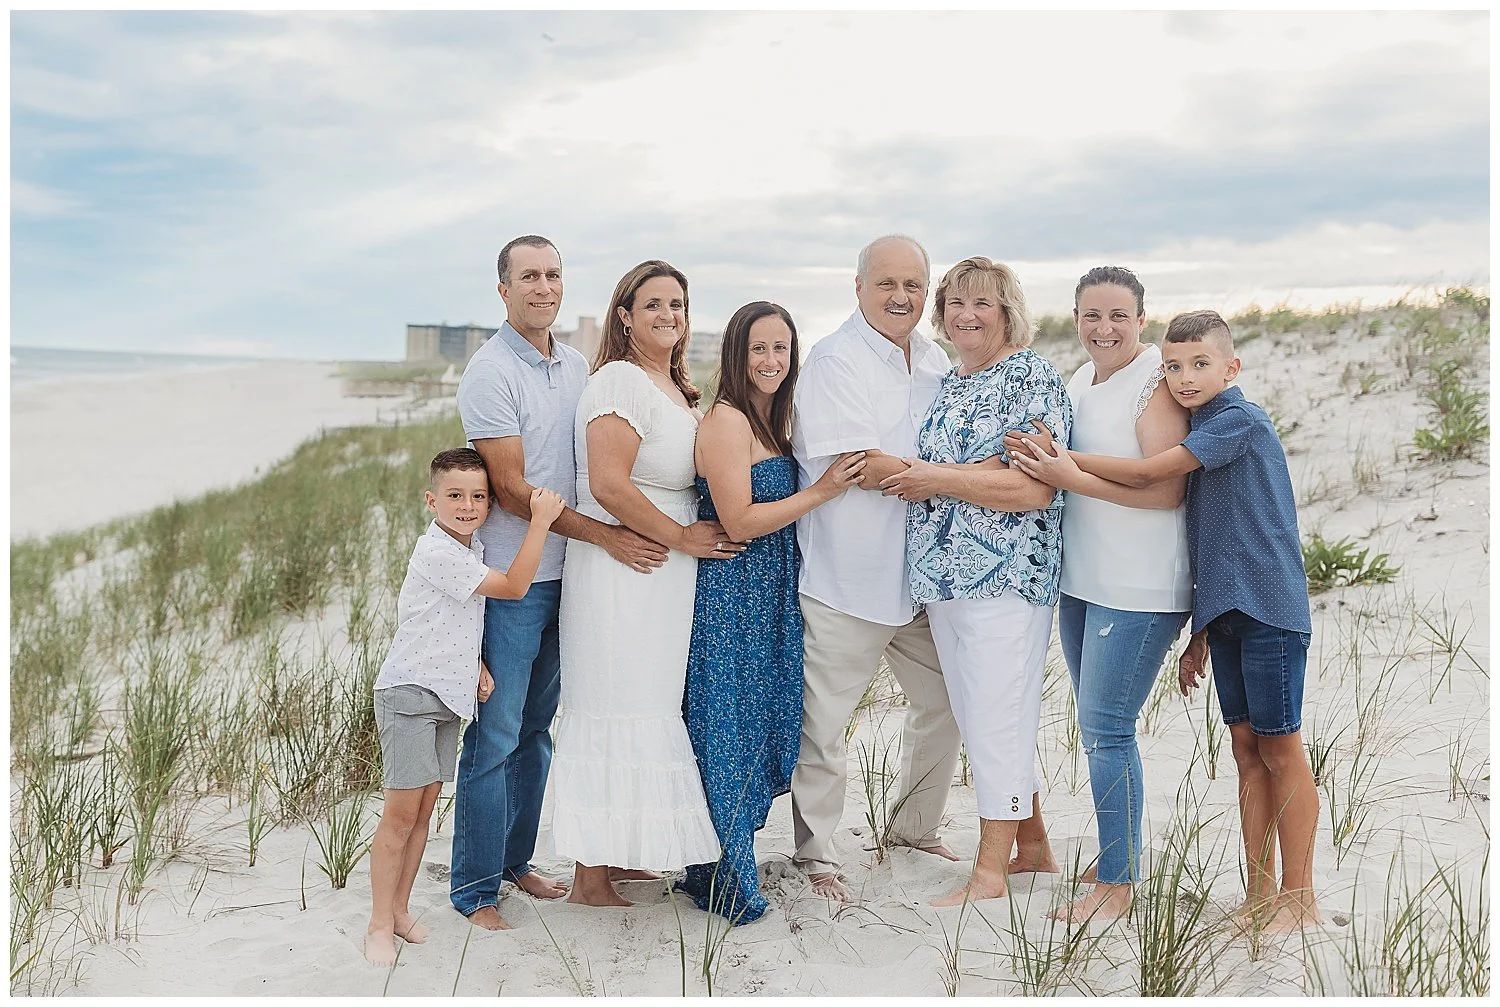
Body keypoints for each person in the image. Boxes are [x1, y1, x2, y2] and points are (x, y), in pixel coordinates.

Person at [1012, 309, 1321, 933]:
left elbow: (1152, 476)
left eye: (1200, 364)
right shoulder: (1200, 426)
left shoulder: (1237, 421)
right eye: (1174, 366)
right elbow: (1208, 538)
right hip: (1228, 612)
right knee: (1244, 749)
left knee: (1280, 748)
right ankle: (1260, 896)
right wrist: (1200, 633)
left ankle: (1300, 895)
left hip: (1271, 611)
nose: (1184, 377)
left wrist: (1064, 464)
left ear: (1232, 367)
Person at [452, 236, 670, 931]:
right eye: (529, 276)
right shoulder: (490, 373)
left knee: (539, 730)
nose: (543, 286)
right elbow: (514, 491)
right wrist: (607, 535)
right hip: (516, 580)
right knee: (496, 732)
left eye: (553, 274)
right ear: (504, 290)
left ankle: (517, 862)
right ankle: (475, 888)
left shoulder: (576, 364)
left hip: (572, 581)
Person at [999, 266, 1191, 923]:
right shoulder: (1083, 378)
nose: (1104, 328)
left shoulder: (1153, 383)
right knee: (1097, 727)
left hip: (1139, 586)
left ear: (1142, 319)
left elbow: (1166, 490)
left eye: (1117, 316)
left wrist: (1068, 473)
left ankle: (1118, 884)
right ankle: (1117, 854)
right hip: (1082, 582)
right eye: (1091, 316)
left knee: (1108, 729)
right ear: (1076, 319)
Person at [878, 257, 1072, 906]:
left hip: (1007, 577)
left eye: (981, 303)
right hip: (945, 579)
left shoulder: (1031, 377)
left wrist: (937, 477)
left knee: (994, 717)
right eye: (955, 302)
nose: (966, 314)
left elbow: (1034, 487)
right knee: (983, 713)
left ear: (1007, 309)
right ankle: (1033, 845)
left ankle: (988, 873)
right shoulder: (954, 380)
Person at [552, 260, 744, 907]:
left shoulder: (676, 388)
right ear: (626, 315)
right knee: (612, 705)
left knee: (646, 707)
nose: (668, 314)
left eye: (678, 304)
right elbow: (607, 482)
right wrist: (682, 536)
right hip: (622, 573)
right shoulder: (618, 381)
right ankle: (588, 877)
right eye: (654, 303)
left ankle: (621, 856)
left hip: (662, 581)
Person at [788, 234, 964, 904]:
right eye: (887, 283)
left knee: (947, 700)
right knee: (825, 725)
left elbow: (920, 459)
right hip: (845, 577)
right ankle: (814, 853)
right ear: (857, 287)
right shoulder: (836, 360)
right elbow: (859, 465)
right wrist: (953, 478)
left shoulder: (935, 359)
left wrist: (933, 478)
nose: (901, 297)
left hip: (918, 578)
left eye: (913, 286)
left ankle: (914, 828)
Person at [680, 301, 867, 925]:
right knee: (725, 726)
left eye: (781, 348)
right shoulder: (728, 421)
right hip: (731, 594)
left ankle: (721, 859)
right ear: (736, 354)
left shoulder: (774, 419)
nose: (770, 361)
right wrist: (821, 492)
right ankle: (723, 873)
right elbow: (737, 519)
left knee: (761, 722)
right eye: (758, 348)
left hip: (773, 594)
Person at [365, 448, 564, 966]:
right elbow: (515, 587)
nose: (468, 505)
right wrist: (540, 521)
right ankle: (378, 924)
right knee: (400, 815)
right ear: (432, 500)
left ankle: (402, 911)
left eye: (479, 496)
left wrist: (473, 661)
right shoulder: (438, 552)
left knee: (425, 810)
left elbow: (448, 617)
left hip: (445, 696)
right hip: (410, 694)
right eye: (455, 495)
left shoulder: (470, 546)